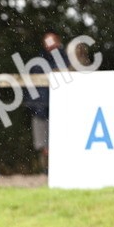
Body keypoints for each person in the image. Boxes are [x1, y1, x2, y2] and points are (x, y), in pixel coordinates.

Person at [25, 32, 69, 173]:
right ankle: (45, 171)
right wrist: (34, 107)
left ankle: (60, 170)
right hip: (40, 109)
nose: (50, 46)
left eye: (52, 42)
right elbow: (30, 87)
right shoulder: (37, 63)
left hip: (61, 111)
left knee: (61, 142)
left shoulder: (67, 61)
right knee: (42, 145)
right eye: (47, 42)